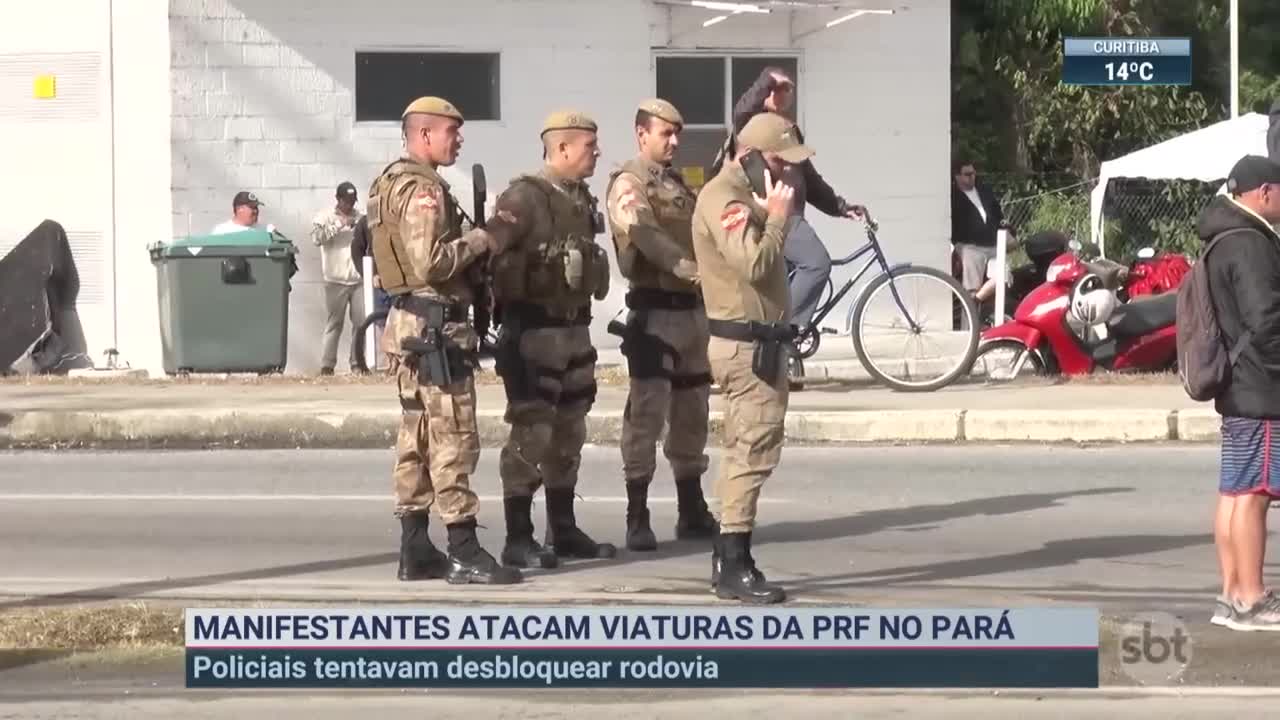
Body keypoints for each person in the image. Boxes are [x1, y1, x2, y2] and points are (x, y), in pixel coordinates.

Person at [366, 95, 520, 586]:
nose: (458, 140)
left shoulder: (390, 183)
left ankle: (415, 547)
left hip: (411, 325)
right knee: (452, 436)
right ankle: (463, 548)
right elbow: (430, 262)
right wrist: (485, 239)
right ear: (424, 135)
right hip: (435, 330)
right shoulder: (422, 191)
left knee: (416, 435)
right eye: (452, 132)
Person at [485, 110, 616, 569]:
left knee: (569, 433)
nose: (596, 152)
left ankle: (562, 529)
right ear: (561, 148)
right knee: (531, 433)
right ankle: (517, 537)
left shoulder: (579, 197)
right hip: (533, 335)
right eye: (588, 145)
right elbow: (491, 245)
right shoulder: (524, 197)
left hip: (574, 331)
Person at [692, 111, 805, 604]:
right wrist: (776, 219)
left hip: (761, 343)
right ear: (752, 158)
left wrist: (767, 212)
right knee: (752, 454)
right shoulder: (723, 198)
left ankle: (728, 556)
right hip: (745, 347)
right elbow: (754, 263)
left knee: (748, 451)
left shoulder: (743, 199)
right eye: (779, 163)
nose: (787, 175)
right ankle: (735, 563)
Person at [604, 98, 717, 552]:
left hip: (693, 314)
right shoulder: (629, 184)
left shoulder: (676, 184)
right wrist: (690, 269)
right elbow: (644, 235)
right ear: (641, 134)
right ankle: (637, 513)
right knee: (646, 416)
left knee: (693, 412)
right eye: (664, 133)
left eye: (677, 134)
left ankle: (691, 509)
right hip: (655, 316)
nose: (673, 142)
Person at [713, 67, 865, 333]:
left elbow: (809, 177)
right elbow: (741, 112)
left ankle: (783, 346)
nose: (782, 96)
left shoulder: (789, 131)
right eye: (776, 90)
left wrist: (839, 206)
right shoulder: (753, 126)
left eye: (787, 90)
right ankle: (783, 333)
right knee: (817, 263)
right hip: (776, 214)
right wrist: (767, 82)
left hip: (792, 215)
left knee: (782, 283)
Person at [1199, 154, 1280, 631]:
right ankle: (1252, 597)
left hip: (1236, 383)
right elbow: (1267, 321)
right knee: (1254, 494)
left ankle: (1231, 594)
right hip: (1260, 384)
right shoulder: (1251, 244)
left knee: (1234, 492)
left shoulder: (1221, 237)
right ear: (1265, 192)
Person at [311, 181, 365, 375]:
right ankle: (327, 365)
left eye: (352, 201)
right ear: (338, 199)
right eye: (346, 201)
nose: (349, 206)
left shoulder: (360, 218)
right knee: (335, 323)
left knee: (360, 323)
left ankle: (357, 363)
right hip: (335, 280)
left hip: (358, 280)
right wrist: (339, 224)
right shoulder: (325, 216)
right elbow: (317, 238)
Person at [950, 159, 1011, 295]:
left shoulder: (984, 191)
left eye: (973, 173)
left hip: (993, 243)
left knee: (1003, 276)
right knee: (971, 286)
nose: (972, 177)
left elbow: (998, 215)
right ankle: (970, 309)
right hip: (969, 247)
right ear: (957, 176)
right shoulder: (952, 197)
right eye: (967, 174)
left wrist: (1006, 229)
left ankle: (976, 300)